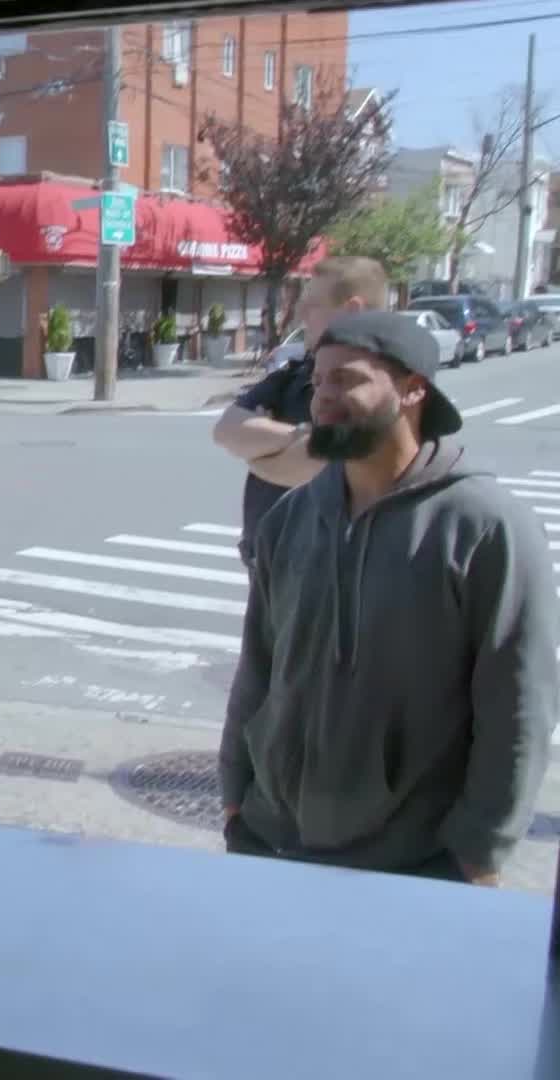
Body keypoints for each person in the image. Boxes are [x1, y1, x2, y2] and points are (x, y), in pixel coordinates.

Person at [220, 311, 558, 885]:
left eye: (347, 380)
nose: (322, 398)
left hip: (413, 862)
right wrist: (234, 794)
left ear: (413, 390)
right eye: (318, 382)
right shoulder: (292, 518)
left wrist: (480, 849)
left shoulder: (484, 526)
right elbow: (258, 667)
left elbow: (517, 706)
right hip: (270, 839)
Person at [212, 256, 388, 569]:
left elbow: (317, 466)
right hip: (266, 559)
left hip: (323, 570)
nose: (300, 314)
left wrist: (261, 451)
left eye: (313, 304)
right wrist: (300, 435)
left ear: (352, 310)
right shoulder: (296, 373)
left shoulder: (380, 386)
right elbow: (227, 430)